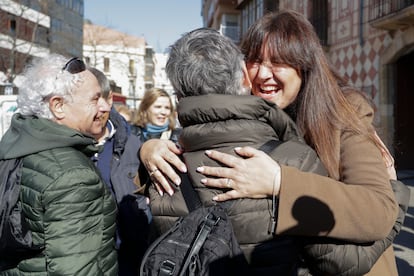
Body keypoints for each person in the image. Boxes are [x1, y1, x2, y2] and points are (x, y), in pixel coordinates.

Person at [139, 10, 399, 276]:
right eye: (254, 60)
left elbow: (378, 210)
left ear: (304, 66)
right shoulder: (257, 118)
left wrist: (280, 183)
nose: (263, 74)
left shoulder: (344, 111)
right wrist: (148, 150)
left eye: (278, 62)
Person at [147, 27, 327, 274]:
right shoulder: (296, 157)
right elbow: (340, 261)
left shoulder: (162, 169)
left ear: (178, 95)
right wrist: (394, 195)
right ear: (244, 76)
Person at [0, 55, 117, 275]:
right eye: (95, 99)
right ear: (58, 106)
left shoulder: (14, 146)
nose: (104, 106)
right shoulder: (73, 176)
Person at [88, 67, 151, 276]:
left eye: (103, 99)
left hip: (131, 262)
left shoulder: (133, 146)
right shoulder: (64, 150)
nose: (100, 108)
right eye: (91, 101)